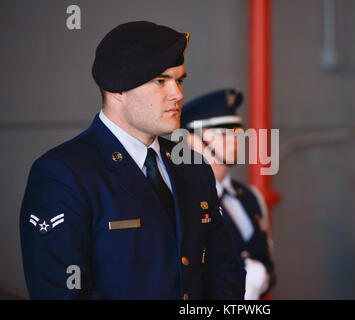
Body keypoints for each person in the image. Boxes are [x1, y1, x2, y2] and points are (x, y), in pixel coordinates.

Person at [19, 21, 245, 299]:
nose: (178, 94)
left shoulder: (193, 168)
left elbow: (224, 271)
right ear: (117, 89)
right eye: (161, 81)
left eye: (179, 80)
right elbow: (65, 293)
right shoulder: (64, 174)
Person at [180, 88, 276, 299]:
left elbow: (268, 264)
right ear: (192, 140)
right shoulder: (180, 199)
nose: (234, 140)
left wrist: (261, 278)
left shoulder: (250, 198)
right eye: (222, 133)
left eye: (237, 132)